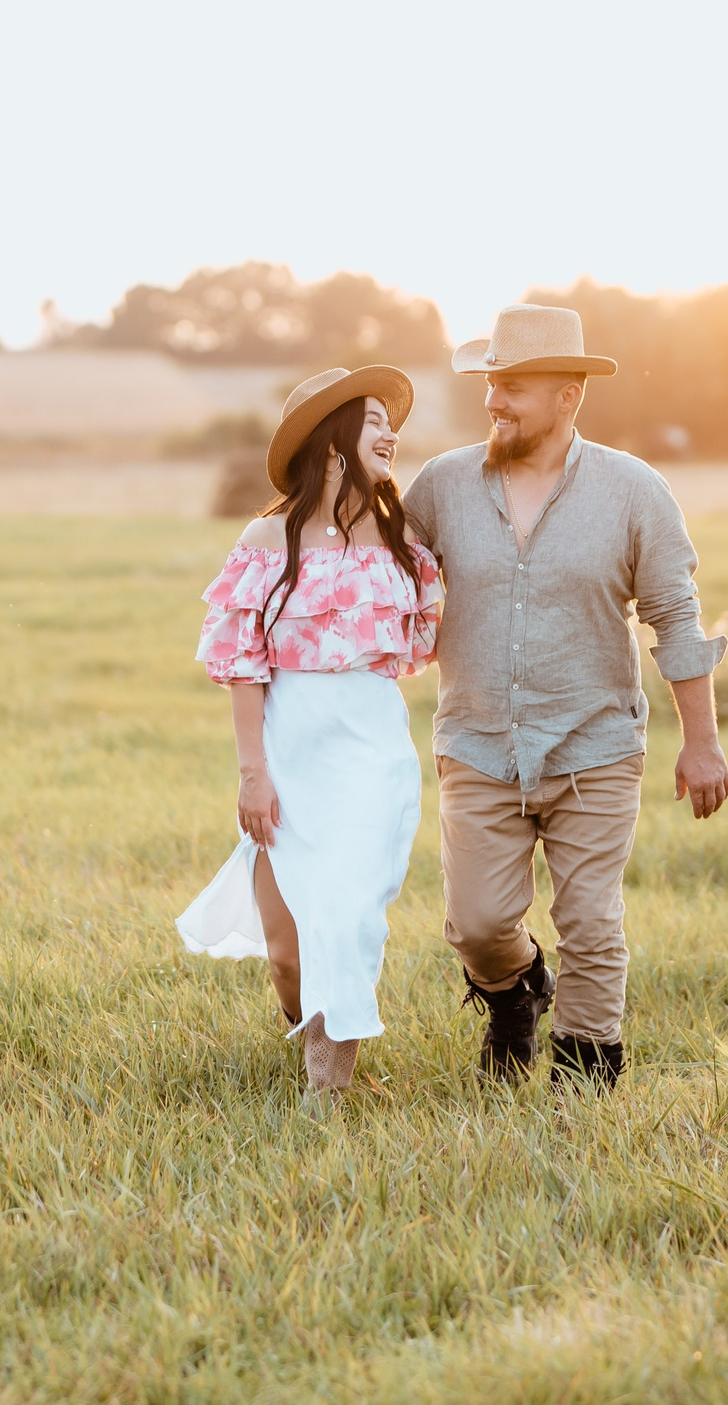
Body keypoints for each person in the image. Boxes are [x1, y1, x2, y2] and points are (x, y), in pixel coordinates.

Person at [401, 304, 728, 1091]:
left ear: (568, 395)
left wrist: (702, 738)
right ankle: (515, 992)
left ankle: (583, 1086)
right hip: (477, 741)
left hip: (595, 744)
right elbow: (376, 581)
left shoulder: (633, 491)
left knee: (589, 922)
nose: (494, 401)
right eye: (491, 384)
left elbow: (674, 617)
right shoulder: (442, 486)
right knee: (477, 923)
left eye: (513, 386)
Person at [175, 366, 443, 1099]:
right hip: (289, 751)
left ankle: (328, 1086)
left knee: (349, 916)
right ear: (332, 444)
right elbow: (242, 663)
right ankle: (308, 1028)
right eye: (374, 421)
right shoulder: (269, 537)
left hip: (370, 749)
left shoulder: (401, 537)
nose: (392, 433)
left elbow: (425, 643)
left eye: (393, 422)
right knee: (288, 950)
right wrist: (252, 771)